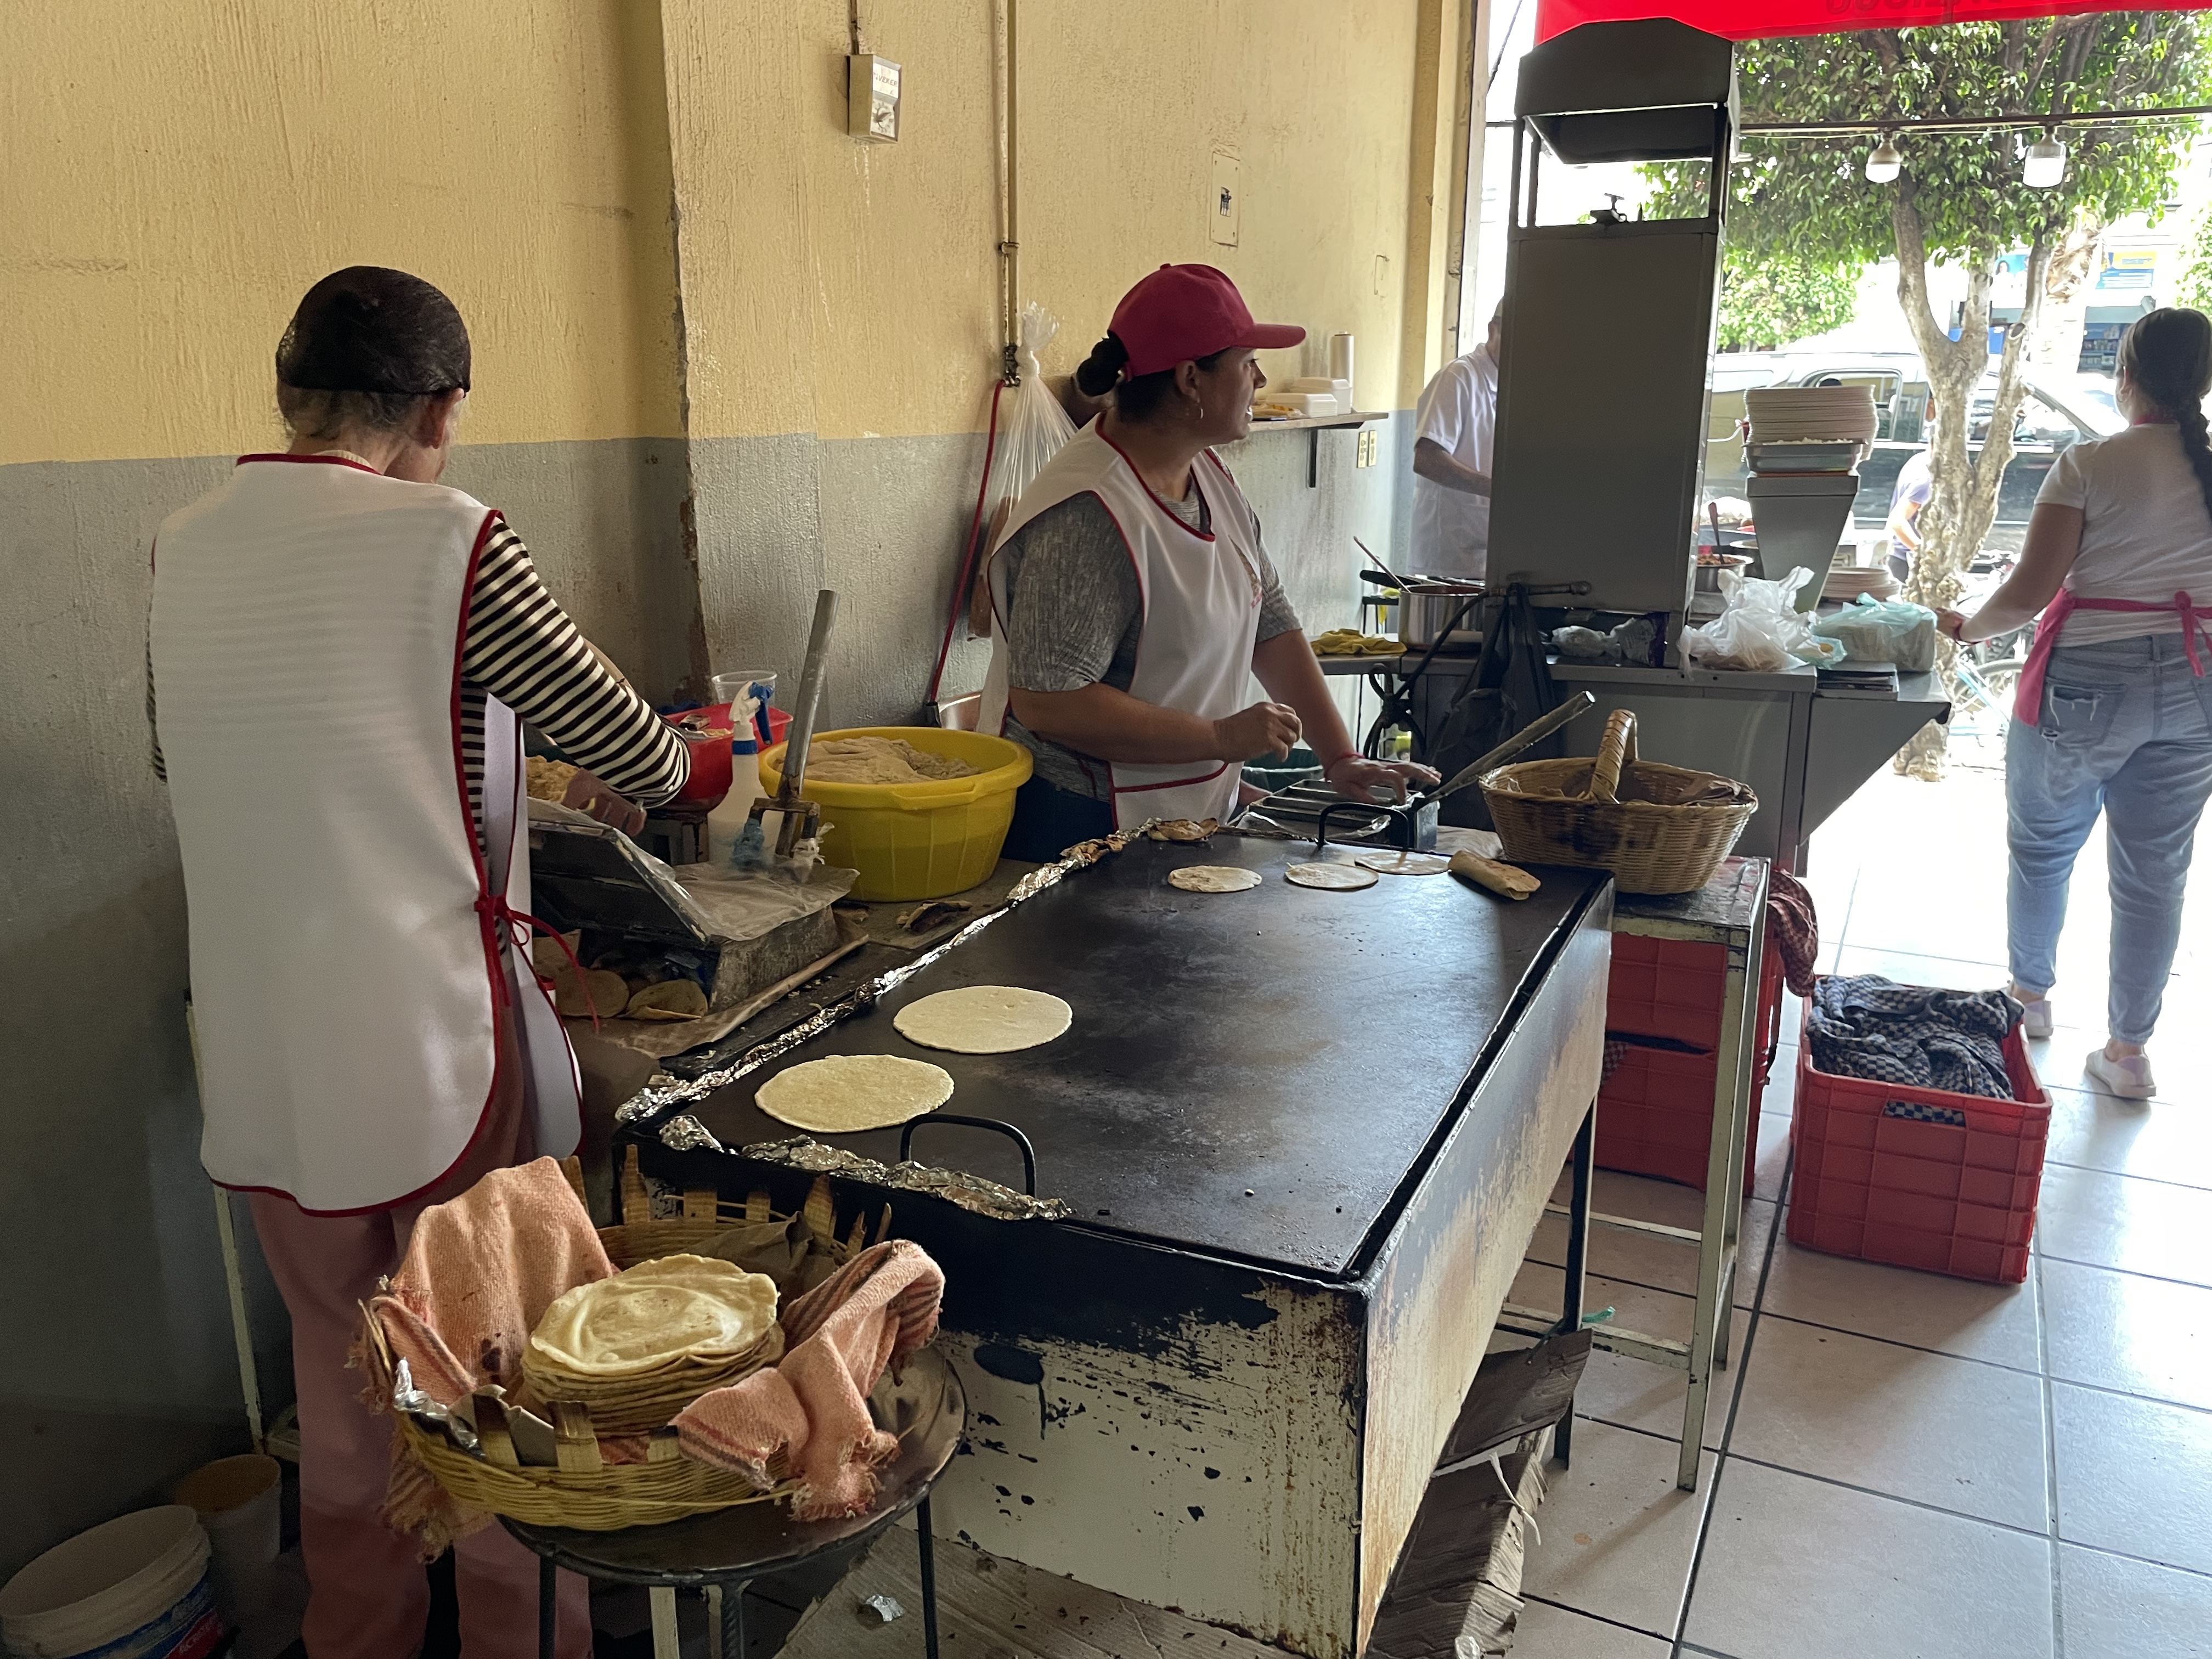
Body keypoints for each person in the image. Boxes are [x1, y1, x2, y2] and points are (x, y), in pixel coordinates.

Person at [149, 267, 692, 1658]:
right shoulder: (451, 541)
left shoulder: (184, 546)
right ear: (439, 410)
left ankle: (363, 1638)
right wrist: (699, 761)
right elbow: (640, 751)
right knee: (503, 1377)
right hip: (434, 1052)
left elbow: (204, 762)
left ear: (291, 389)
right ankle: (524, 1640)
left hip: (270, 1062)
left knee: (341, 1391)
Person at [978, 263, 1435, 859]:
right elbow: (1050, 701)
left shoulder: (1208, 474)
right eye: (1247, 364)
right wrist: (1220, 736)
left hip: (1186, 807)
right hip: (1081, 824)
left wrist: (1339, 757)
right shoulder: (1090, 513)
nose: (1261, 378)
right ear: (1191, 378)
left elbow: (1270, 623)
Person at [1937, 307, 2212, 1101]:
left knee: (2045, 845)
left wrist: (1967, 628)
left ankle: (2028, 1002)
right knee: (2157, 874)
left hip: (2090, 677)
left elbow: (2029, 592)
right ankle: (2129, 1054)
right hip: (2198, 683)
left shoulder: (2089, 464)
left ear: (2126, 376)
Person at [1409, 301, 1503, 581]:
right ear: (1493, 330)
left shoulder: (1510, 383)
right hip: (1447, 561)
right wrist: (1497, 491)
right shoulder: (1458, 377)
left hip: (1487, 555)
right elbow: (1427, 459)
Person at [1885, 445, 1933, 583]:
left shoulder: (1918, 459)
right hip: (1907, 561)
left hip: (1897, 555)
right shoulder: (1927, 479)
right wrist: (1926, 555)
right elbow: (1897, 522)